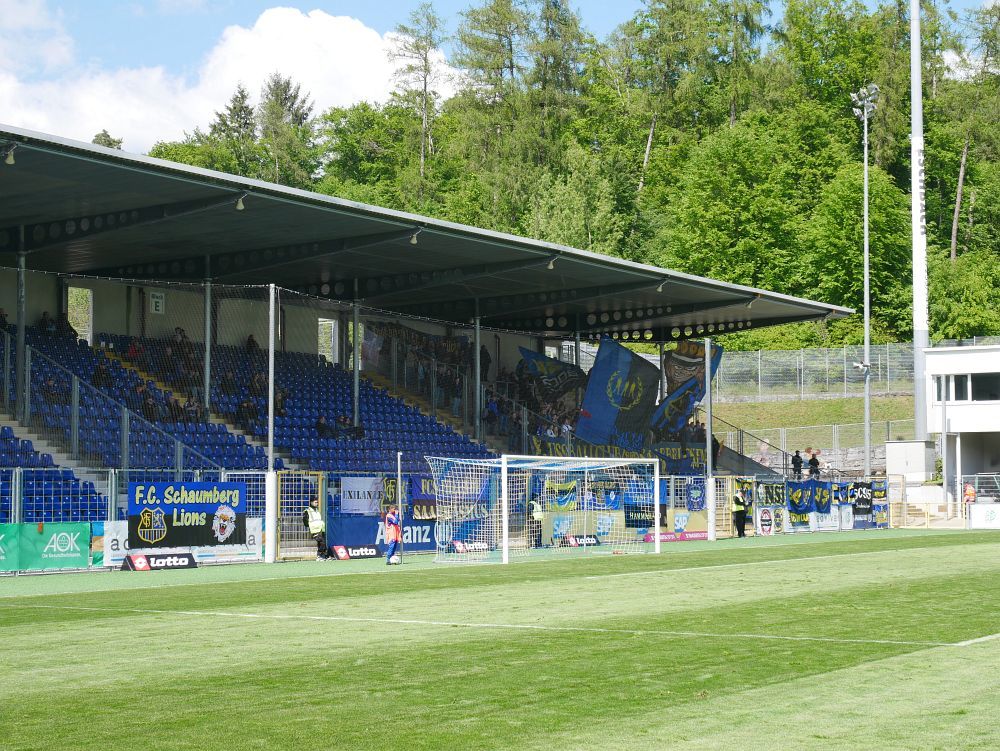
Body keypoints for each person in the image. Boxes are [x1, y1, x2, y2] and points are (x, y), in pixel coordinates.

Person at [302, 496, 329, 560]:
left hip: (320, 529)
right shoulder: (307, 511)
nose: (317, 503)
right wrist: (309, 526)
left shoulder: (317, 510)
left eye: (317, 502)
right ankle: (319, 556)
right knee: (322, 542)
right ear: (311, 502)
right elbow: (305, 520)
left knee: (321, 543)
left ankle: (323, 556)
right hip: (314, 530)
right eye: (315, 502)